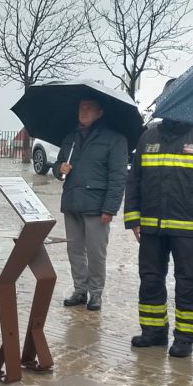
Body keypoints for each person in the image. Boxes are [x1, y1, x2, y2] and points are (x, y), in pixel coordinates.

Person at [124, 105, 193, 357]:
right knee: (150, 279)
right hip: (151, 227)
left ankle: (184, 338)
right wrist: (133, 218)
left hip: (189, 230)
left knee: (188, 283)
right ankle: (154, 332)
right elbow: (134, 179)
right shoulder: (148, 136)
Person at [54, 98, 128, 311]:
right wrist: (60, 168)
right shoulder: (70, 138)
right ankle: (80, 290)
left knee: (96, 252)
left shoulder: (114, 139)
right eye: (81, 108)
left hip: (97, 206)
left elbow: (118, 177)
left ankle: (96, 293)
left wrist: (110, 208)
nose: (83, 112)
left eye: (89, 108)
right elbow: (56, 166)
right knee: (74, 250)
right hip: (72, 202)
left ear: (100, 112)